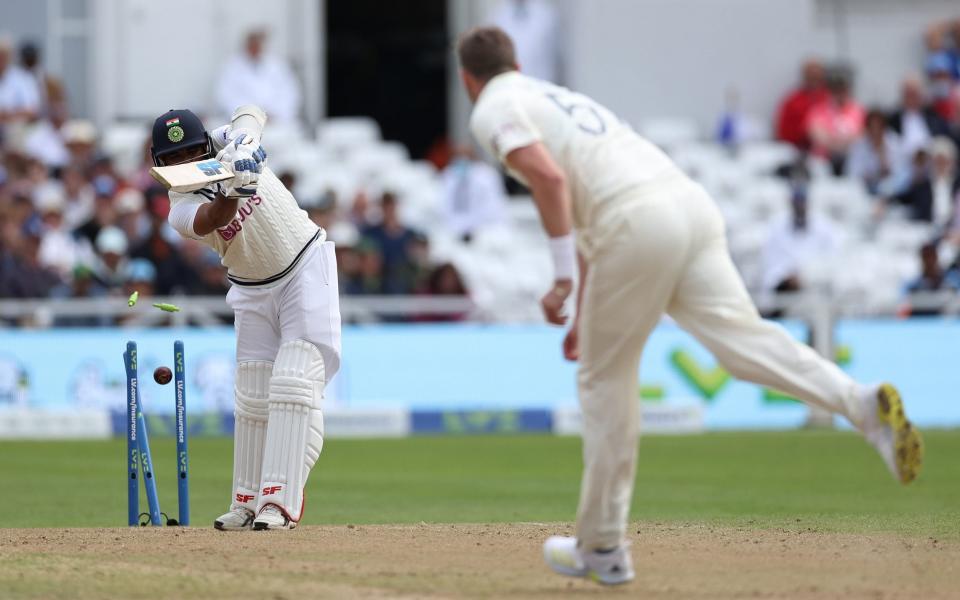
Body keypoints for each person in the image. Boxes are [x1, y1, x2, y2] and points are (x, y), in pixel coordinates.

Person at [456, 26, 924, 586]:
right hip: (687, 204)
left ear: (468, 79)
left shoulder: (492, 107)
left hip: (634, 221)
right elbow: (584, 207)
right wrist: (582, 308)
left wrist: (560, 284)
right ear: (514, 61)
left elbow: (550, 181)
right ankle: (860, 404)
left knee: (605, 381)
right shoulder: (555, 96)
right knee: (743, 341)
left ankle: (601, 545)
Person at [153, 105, 340, 530]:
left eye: (191, 152)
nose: (185, 163)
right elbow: (213, 218)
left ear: (204, 144)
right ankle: (247, 501)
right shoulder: (178, 207)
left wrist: (245, 145)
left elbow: (251, 112)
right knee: (253, 397)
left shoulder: (224, 144)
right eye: (173, 159)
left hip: (303, 265)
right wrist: (235, 188)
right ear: (160, 165)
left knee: (293, 383)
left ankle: (279, 502)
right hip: (251, 287)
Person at [214, 30, 301, 125]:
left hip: (277, 122)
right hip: (245, 123)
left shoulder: (277, 65)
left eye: (257, 44)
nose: (255, 48)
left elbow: (289, 93)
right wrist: (251, 114)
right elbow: (226, 97)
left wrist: (274, 114)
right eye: (252, 45)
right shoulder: (232, 67)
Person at [806, 66, 865, 174]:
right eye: (835, 89)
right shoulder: (818, 110)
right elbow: (818, 137)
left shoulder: (858, 111)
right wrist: (841, 142)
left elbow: (861, 136)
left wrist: (836, 140)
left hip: (851, 160)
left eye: (842, 89)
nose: (839, 93)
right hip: (824, 160)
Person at [775, 59, 829, 150]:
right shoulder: (793, 101)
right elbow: (783, 131)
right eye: (811, 76)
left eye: (816, 77)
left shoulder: (829, 98)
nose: (814, 80)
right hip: (798, 148)